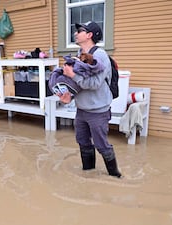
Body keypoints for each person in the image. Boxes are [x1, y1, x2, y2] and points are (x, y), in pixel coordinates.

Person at [58, 21, 122, 178]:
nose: (75, 33)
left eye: (80, 31)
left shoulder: (100, 56)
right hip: (82, 110)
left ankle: (116, 177)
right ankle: (89, 175)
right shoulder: (80, 54)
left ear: (89, 35)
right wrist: (68, 96)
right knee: (83, 142)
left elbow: (94, 84)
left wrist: (72, 74)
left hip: (98, 111)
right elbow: (77, 84)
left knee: (101, 145)